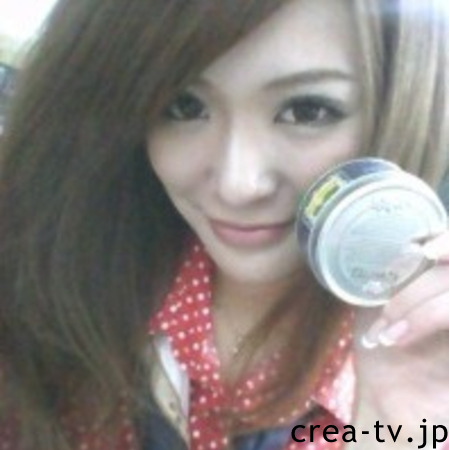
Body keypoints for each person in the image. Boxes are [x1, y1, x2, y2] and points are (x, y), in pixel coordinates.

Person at [0, 0, 447, 449]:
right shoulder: (45, 275)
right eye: (183, 105)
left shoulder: (424, 358)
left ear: (400, 107)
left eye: (307, 111)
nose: (239, 186)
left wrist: (399, 434)